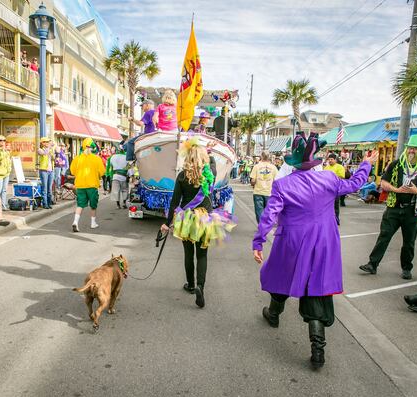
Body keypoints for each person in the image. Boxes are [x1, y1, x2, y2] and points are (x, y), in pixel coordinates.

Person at [252, 132, 378, 369]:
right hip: (323, 242)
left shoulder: (282, 184)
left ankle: (274, 313)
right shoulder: (329, 179)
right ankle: (318, 349)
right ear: (314, 160)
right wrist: (366, 164)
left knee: (282, 276)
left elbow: (269, 215)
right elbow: (355, 184)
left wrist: (258, 242)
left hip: (291, 241)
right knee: (315, 289)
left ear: (294, 162)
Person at [161, 137, 236, 308]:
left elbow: (174, 202)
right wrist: (207, 152)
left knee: (188, 253)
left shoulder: (181, 176)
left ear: (187, 158)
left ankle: (191, 285)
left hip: (187, 219)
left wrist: (167, 223)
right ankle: (201, 286)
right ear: (203, 158)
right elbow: (212, 164)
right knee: (202, 254)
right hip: (206, 220)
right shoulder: (210, 174)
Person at [359, 134, 417, 280]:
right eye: (410, 148)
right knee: (384, 236)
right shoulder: (396, 165)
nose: (412, 151)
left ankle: (406, 268)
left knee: (409, 241)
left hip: (412, 210)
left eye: (415, 148)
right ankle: (372, 264)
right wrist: (396, 189)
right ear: (407, 149)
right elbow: (383, 183)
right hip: (394, 208)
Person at [70, 138, 106, 231]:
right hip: (92, 185)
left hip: (80, 185)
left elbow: (72, 172)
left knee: (80, 204)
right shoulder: (96, 158)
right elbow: (102, 172)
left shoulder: (77, 158)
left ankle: (75, 222)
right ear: (93, 148)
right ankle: (93, 223)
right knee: (93, 205)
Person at [250, 152, 278, 223]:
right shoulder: (273, 167)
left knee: (259, 211)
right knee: (268, 211)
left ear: (261, 156)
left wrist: (253, 184)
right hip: (269, 192)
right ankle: (266, 226)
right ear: (269, 157)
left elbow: (253, 180)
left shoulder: (256, 166)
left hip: (258, 192)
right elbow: (277, 181)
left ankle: (261, 226)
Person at [324, 153, 346, 225]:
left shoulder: (339, 167)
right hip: (327, 189)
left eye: (331, 159)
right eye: (329, 159)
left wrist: (331, 177)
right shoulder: (326, 167)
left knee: (335, 205)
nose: (330, 161)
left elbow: (342, 177)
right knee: (327, 205)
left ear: (335, 160)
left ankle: (336, 220)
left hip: (335, 188)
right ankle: (328, 220)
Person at [109, 144, 129, 209]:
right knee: (124, 190)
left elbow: (111, 167)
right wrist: (131, 176)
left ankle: (117, 205)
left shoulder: (113, 157)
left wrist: (110, 176)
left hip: (115, 176)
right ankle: (124, 203)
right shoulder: (126, 157)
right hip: (123, 177)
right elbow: (129, 168)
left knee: (115, 191)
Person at [37, 137, 54, 209]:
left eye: (48, 142)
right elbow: (44, 153)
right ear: (42, 143)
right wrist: (49, 147)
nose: (47, 143)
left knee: (49, 188)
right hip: (43, 170)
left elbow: (53, 157)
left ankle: (49, 203)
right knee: (45, 188)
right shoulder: (40, 150)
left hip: (51, 170)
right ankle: (45, 203)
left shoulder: (50, 150)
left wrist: (52, 150)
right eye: (46, 142)